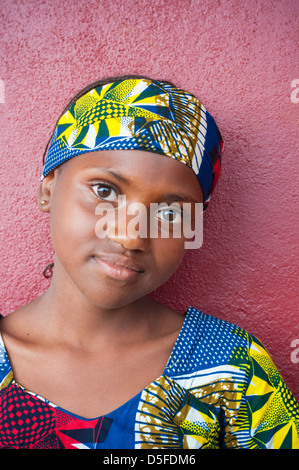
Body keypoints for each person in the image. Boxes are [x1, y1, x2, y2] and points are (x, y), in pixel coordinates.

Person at [0, 75, 298, 450]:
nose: (131, 236)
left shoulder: (237, 371)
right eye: (105, 190)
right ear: (48, 188)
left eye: (170, 212)